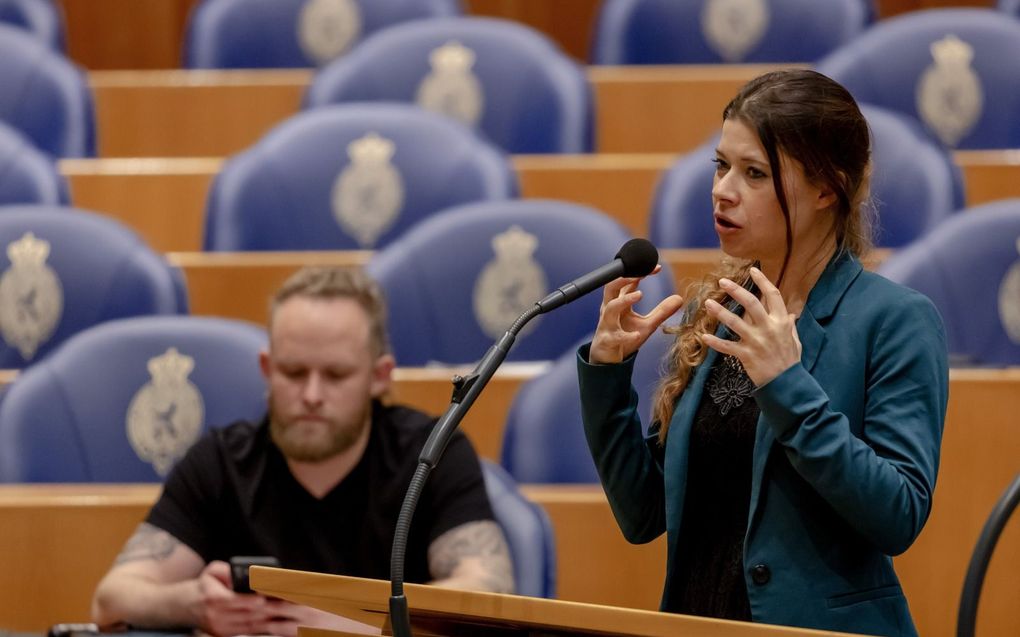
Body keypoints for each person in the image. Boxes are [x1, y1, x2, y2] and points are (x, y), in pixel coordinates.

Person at [578, 69, 948, 637]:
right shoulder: (720, 309)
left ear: (827, 189)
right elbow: (644, 513)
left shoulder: (893, 319)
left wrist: (787, 385)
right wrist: (608, 376)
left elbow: (898, 513)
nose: (723, 190)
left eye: (754, 174)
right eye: (721, 165)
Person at [92, 266, 514, 636]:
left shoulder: (433, 454)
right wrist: (194, 603)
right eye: (293, 372)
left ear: (379, 376)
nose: (311, 395)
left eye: (335, 375)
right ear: (266, 369)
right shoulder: (219, 461)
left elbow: (489, 590)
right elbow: (112, 598)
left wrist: (360, 623)